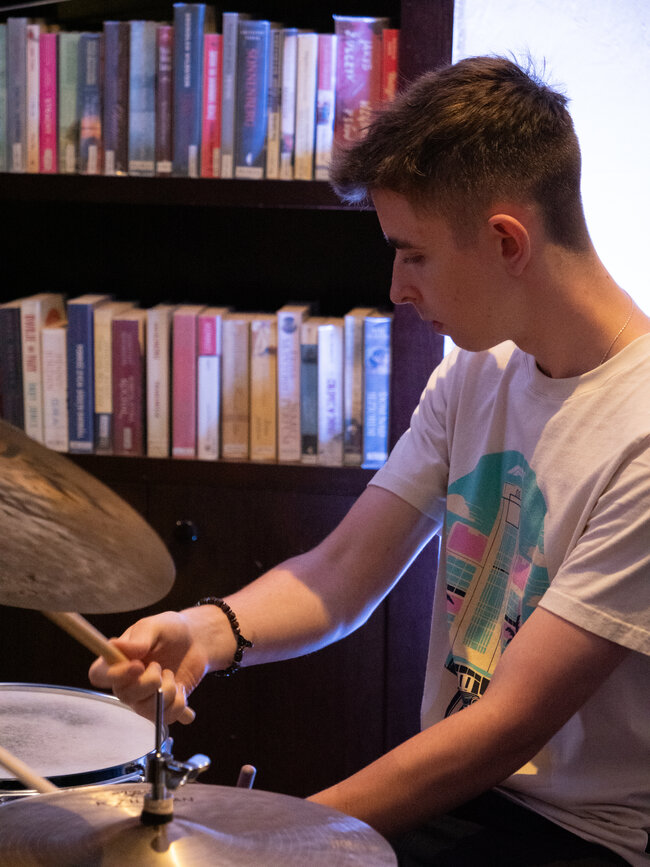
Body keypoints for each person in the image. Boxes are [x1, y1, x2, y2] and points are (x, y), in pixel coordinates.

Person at [90, 56, 650, 866]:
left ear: (506, 240)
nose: (396, 287)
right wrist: (202, 632)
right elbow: (339, 573)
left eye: (411, 253)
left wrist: (267, 834)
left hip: (581, 837)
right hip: (466, 799)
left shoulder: (640, 434)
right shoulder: (477, 372)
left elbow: (507, 725)